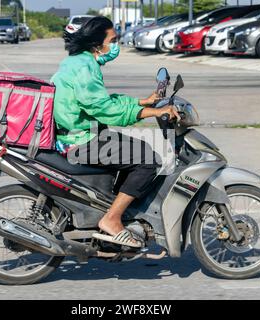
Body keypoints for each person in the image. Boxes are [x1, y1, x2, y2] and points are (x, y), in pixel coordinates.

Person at [51, 16, 179, 248]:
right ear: (97, 44)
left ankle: (118, 209)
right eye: (113, 40)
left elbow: (102, 101)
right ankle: (112, 218)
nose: (116, 45)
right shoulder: (85, 66)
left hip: (80, 134)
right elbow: (105, 110)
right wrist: (153, 112)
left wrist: (142, 102)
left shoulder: (78, 62)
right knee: (147, 160)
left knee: (134, 149)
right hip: (80, 139)